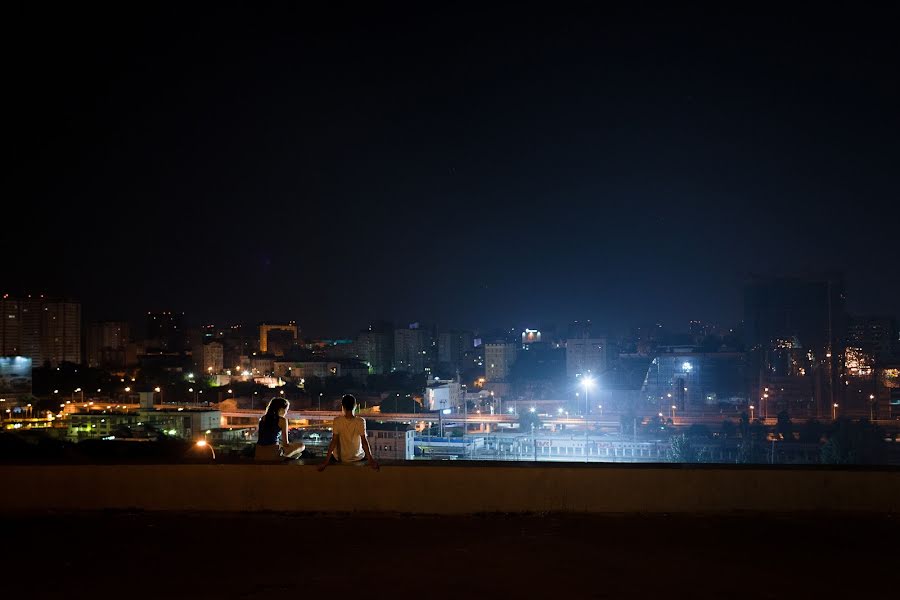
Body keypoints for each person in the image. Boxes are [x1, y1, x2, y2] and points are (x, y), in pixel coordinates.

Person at [318, 394, 379, 471]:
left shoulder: (337, 421)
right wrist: (371, 460)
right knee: (364, 455)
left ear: (343, 407)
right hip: (357, 458)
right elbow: (364, 441)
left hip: (340, 458)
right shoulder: (360, 421)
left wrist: (326, 461)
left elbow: (334, 441)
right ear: (355, 406)